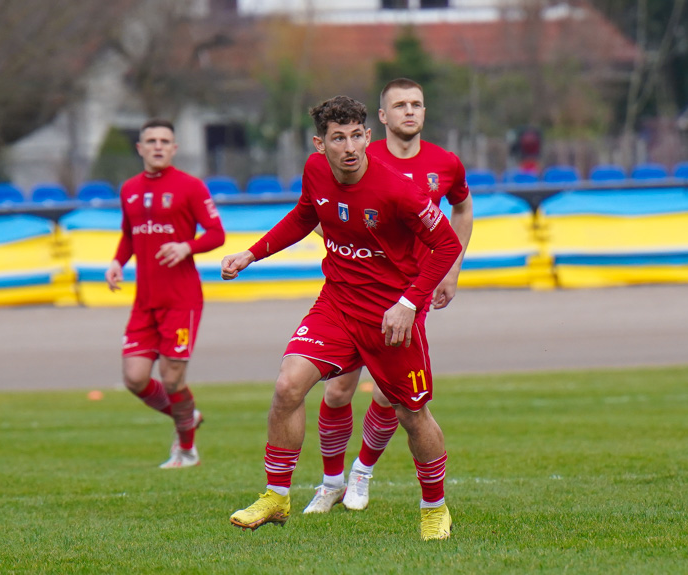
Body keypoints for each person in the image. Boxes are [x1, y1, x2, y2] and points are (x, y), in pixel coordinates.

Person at [222, 95, 462, 540]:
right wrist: (251, 253)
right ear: (320, 144)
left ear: (368, 137)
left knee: (413, 414)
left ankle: (434, 508)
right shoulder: (315, 173)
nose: (349, 146)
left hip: (390, 314)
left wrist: (408, 304)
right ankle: (276, 496)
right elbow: (303, 216)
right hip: (336, 303)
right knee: (287, 385)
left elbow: (447, 244)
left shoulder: (398, 190)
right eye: (338, 138)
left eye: (356, 136)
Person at [302, 78, 473, 515]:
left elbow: (461, 210)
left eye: (416, 104)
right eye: (399, 105)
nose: (409, 112)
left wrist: (451, 271)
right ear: (381, 118)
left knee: (387, 394)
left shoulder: (446, 163)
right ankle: (330, 481)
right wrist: (349, 248)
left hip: (408, 296)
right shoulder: (355, 153)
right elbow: (318, 208)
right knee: (338, 389)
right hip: (355, 293)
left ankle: (363, 470)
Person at [105, 118, 225, 469]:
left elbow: (217, 234)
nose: (158, 146)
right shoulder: (129, 188)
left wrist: (187, 247)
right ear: (140, 148)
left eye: (165, 141)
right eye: (151, 140)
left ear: (174, 148)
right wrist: (116, 262)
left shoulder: (191, 187)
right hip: (145, 300)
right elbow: (129, 234)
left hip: (181, 298)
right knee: (135, 378)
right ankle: (189, 414)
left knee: (172, 379)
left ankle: (186, 449)